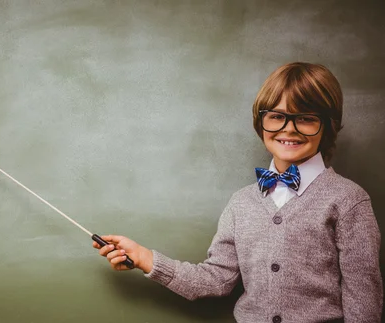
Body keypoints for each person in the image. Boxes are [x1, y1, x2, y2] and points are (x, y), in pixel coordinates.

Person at [93, 62, 382, 322]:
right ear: (261, 122)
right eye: (277, 116)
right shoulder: (241, 203)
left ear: (327, 126)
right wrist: (145, 257)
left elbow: (364, 303)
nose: (289, 129)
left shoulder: (348, 200)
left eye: (306, 118)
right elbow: (215, 280)